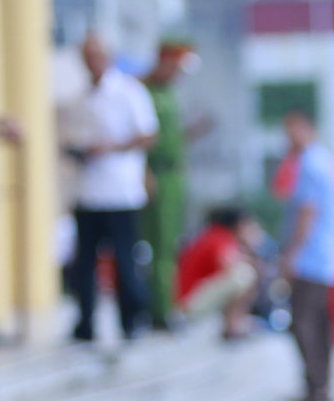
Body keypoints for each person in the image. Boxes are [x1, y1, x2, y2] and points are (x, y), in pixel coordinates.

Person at [66, 33, 158, 342]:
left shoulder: (128, 91)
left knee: (124, 259)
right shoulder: (80, 97)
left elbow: (147, 134)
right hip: (88, 190)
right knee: (84, 263)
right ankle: (85, 322)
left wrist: (113, 147)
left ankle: (131, 320)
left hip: (120, 190)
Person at [277, 110, 334, 401]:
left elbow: (307, 211)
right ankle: (320, 385)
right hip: (325, 255)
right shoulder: (324, 160)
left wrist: (290, 254)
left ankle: (315, 384)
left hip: (311, 257)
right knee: (318, 323)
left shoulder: (309, 163)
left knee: (304, 323)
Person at [141, 40, 207, 325]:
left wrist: (190, 133)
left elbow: (169, 139)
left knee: (170, 244)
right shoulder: (143, 90)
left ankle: (168, 305)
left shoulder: (168, 93)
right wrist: (144, 172)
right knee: (155, 244)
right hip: (155, 174)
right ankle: (159, 309)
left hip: (173, 173)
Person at [174, 207, 260, 340]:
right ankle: (233, 324)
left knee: (243, 273)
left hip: (189, 299)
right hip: (190, 303)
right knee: (245, 274)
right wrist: (249, 245)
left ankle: (234, 322)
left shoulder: (210, 234)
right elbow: (229, 264)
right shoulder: (218, 235)